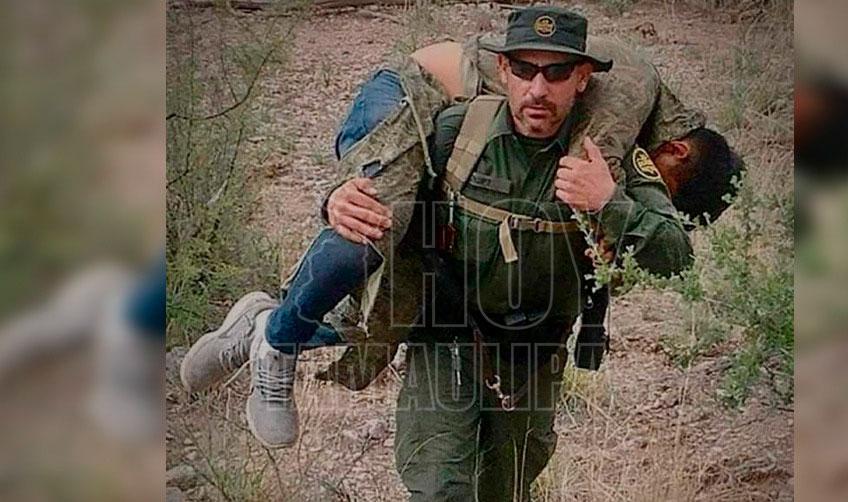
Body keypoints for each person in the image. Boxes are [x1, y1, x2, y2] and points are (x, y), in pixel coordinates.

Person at [179, 10, 742, 451]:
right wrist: (612, 208)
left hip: (447, 130)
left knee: (394, 301)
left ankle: (261, 323)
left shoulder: (627, 104)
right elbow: (587, 174)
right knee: (369, 224)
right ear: (674, 150)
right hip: (404, 90)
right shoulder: (628, 93)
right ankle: (277, 346)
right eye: (666, 189)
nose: (539, 86)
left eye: (555, 74)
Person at [328, 7, 694, 499]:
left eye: (556, 73)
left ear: (582, 78)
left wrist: (609, 202)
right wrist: (334, 200)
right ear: (502, 71)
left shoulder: (608, 158)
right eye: (524, 70)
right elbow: (377, 186)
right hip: (447, 339)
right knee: (439, 489)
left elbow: (676, 257)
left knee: (507, 488)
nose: (538, 89)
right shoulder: (457, 132)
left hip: (534, 355)